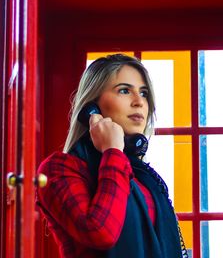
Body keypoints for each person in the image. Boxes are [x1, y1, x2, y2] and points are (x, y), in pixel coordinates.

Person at [36, 54, 187, 258]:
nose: (139, 102)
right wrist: (112, 150)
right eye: (124, 90)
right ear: (92, 107)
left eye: (144, 93)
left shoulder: (143, 177)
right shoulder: (59, 169)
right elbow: (100, 233)